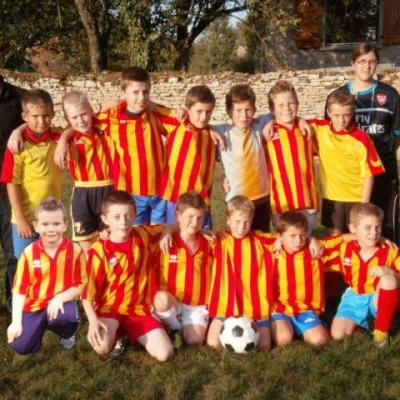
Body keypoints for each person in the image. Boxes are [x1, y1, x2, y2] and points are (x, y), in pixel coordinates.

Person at [54, 67, 178, 225]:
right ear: (123, 93)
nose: (141, 97)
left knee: (157, 236)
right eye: (135, 92)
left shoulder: (155, 113)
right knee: (135, 236)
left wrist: (190, 117)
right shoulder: (111, 117)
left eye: (145, 92)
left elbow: (185, 124)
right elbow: (82, 123)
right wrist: (63, 139)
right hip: (131, 193)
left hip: (159, 191)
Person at [82, 190, 174, 361]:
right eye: (116, 217)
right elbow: (87, 293)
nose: (123, 222)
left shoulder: (143, 235)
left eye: (128, 215)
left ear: (135, 215)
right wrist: (93, 321)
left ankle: (132, 333)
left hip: (139, 310)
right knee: (101, 347)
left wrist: (167, 231)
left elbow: (175, 226)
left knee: (165, 354)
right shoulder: (98, 251)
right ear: (105, 219)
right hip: (110, 309)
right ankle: (119, 333)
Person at [326, 43, 400, 242]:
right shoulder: (338, 97)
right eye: (362, 61)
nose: (367, 66)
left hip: (384, 174)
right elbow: (329, 133)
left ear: (377, 63)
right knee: (350, 234)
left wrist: (379, 155)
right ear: (353, 63)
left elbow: (397, 133)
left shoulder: (390, 95)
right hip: (349, 179)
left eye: (372, 61)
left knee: (385, 231)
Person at [7, 198, 87, 354]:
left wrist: (60, 298)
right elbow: (19, 290)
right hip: (34, 304)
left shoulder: (75, 251)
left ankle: (68, 333)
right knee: (21, 346)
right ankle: (37, 328)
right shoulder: (29, 253)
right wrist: (16, 322)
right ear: (36, 226)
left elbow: (81, 284)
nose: (51, 229)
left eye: (56, 224)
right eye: (45, 224)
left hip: (61, 303)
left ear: (65, 225)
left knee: (66, 318)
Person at [206, 195, 275, 351]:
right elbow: (194, 235)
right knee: (212, 343)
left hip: (256, 308)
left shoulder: (260, 240)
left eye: (246, 222)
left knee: (264, 346)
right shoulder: (218, 240)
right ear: (228, 219)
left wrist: (312, 240)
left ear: (252, 220)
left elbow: (285, 239)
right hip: (225, 307)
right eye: (237, 222)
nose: (241, 227)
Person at [0, 89, 61, 259]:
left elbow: (76, 130)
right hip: (26, 219)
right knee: (26, 266)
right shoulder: (17, 146)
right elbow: (11, 183)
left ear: (53, 114)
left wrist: (64, 141)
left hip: (53, 219)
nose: (41, 121)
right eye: (35, 116)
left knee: (52, 265)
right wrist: (21, 219)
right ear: (25, 116)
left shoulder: (58, 138)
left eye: (46, 116)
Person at [329, 203, 400, 347]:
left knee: (388, 279)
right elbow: (321, 244)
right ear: (353, 228)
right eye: (368, 227)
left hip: (377, 296)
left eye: (378, 227)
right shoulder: (344, 249)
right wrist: (313, 241)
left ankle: (381, 332)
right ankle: (362, 325)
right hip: (354, 296)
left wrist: (390, 272)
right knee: (337, 335)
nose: (374, 233)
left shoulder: (390, 250)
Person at [315, 90, 384, 234]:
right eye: (337, 115)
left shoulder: (362, 138)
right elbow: (293, 120)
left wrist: (364, 204)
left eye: (346, 115)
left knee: (357, 236)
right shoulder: (320, 129)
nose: (341, 120)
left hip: (356, 197)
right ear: (328, 112)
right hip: (332, 197)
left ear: (353, 113)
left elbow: (369, 174)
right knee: (335, 237)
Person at [270, 211, 342, 347]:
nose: (298, 240)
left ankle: (304, 327)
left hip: (307, 309)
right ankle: (287, 327)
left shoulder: (315, 250)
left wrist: (312, 239)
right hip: (281, 308)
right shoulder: (273, 249)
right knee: (283, 339)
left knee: (320, 340)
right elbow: (254, 238)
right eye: (292, 236)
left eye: (302, 235)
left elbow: (342, 239)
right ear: (280, 236)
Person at [153, 191, 213, 347]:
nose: (194, 223)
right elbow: (137, 231)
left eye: (199, 218)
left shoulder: (209, 242)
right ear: (178, 216)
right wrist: (168, 230)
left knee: (194, 341)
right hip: (172, 302)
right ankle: (174, 328)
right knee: (160, 299)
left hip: (196, 305)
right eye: (190, 217)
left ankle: (179, 327)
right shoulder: (164, 240)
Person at [212, 84, 272, 232]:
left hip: (262, 197)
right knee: (237, 236)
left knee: (260, 236)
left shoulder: (258, 127)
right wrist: (209, 129)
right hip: (236, 200)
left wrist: (272, 121)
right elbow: (198, 124)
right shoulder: (222, 131)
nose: (244, 115)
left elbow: (281, 113)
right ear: (229, 112)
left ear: (254, 110)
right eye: (238, 110)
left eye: (248, 110)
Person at [62, 91, 114, 253]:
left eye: (84, 114)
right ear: (67, 119)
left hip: (109, 189)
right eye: (74, 117)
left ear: (92, 111)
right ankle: (89, 268)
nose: (80, 120)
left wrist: (102, 109)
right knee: (86, 244)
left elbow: (117, 102)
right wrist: (62, 140)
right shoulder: (67, 139)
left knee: (110, 239)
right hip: (82, 193)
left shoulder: (104, 128)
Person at [265, 80, 319, 234]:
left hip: (307, 202)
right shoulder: (267, 133)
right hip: (281, 204)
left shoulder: (308, 129)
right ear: (272, 109)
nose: (287, 108)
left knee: (304, 242)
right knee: (285, 245)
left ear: (298, 104)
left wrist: (301, 119)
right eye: (280, 105)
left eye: (291, 103)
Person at [160, 85, 217, 228]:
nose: (204, 117)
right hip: (176, 200)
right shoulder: (176, 123)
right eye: (199, 111)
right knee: (177, 238)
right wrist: (180, 111)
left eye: (208, 112)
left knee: (204, 240)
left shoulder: (213, 134)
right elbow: (148, 106)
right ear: (188, 109)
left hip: (202, 202)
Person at [0, 74, 25, 307]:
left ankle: (14, 303)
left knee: (12, 253)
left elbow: (39, 118)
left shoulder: (19, 98)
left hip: (9, 189)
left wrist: (20, 129)